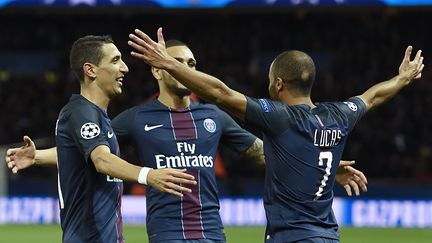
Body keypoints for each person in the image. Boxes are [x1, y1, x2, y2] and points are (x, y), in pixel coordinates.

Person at [6, 39, 367, 243]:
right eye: (181, 62)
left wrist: (324, 167)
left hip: (213, 233)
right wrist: (38, 157)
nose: (189, 68)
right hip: (165, 235)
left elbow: (263, 154)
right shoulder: (136, 118)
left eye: (193, 62)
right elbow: (92, 151)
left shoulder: (215, 117)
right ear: (160, 69)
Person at [127, 28, 424, 242]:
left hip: (291, 236)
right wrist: (403, 77)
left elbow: (220, 93)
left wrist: (168, 64)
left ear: (278, 84)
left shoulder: (279, 117)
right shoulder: (340, 114)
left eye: (270, 80)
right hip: (328, 236)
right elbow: (372, 96)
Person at [6, 35, 196, 243]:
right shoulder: (80, 112)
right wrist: (148, 176)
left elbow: (78, 153)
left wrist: (38, 157)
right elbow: (101, 159)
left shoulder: (97, 118)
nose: (125, 68)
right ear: (91, 70)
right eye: (115, 60)